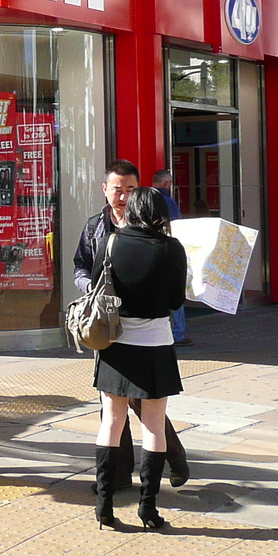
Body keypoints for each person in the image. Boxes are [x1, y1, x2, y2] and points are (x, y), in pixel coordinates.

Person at [75, 160, 191, 489]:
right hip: (107, 326)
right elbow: (81, 266)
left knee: (143, 404)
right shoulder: (96, 227)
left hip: (146, 329)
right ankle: (117, 475)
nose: (123, 197)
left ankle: (174, 455)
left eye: (129, 190)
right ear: (105, 190)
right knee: (111, 408)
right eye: (117, 190)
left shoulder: (159, 234)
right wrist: (92, 290)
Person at [90, 188, 188, 532]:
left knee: (111, 422)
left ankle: (103, 504)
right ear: (160, 213)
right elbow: (176, 301)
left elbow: (97, 285)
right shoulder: (171, 248)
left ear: (131, 210)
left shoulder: (112, 243)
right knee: (153, 426)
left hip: (115, 344)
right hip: (156, 345)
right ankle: (148, 508)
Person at [150, 169, 190, 347]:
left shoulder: (144, 199)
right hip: (168, 251)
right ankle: (178, 333)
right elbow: (178, 227)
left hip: (149, 252)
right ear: (166, 184)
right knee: (175, 292)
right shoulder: (169, 202)